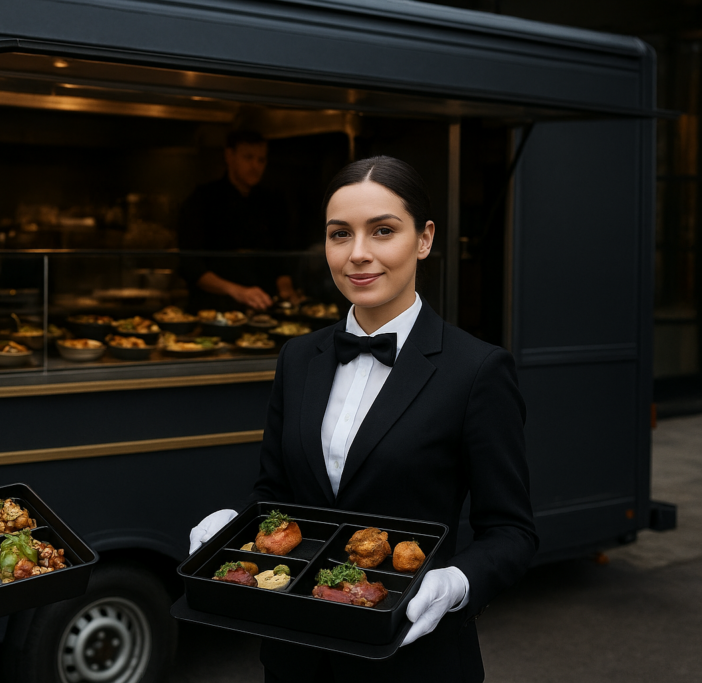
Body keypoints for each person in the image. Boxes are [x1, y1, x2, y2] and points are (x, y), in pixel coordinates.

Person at [188, 156, 537, 682]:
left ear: (424, 239)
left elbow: (511, 531)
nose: (358, 254)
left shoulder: (478, 369)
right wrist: (233, 527)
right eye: (338, 234)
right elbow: (274, 497)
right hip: (296, 653)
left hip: (413, 658)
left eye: (383, 231)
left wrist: (458, 580)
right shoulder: (298, 357)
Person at [177, 129, 300, 311]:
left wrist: (285, 286)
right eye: (248, 158)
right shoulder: (203, 199)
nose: (255, 166)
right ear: (229, 156)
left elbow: (283, 254)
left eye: (261, 160)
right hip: (212, 309)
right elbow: (190, 265)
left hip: (265, 309)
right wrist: (236, 290)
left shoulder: (273, 202)